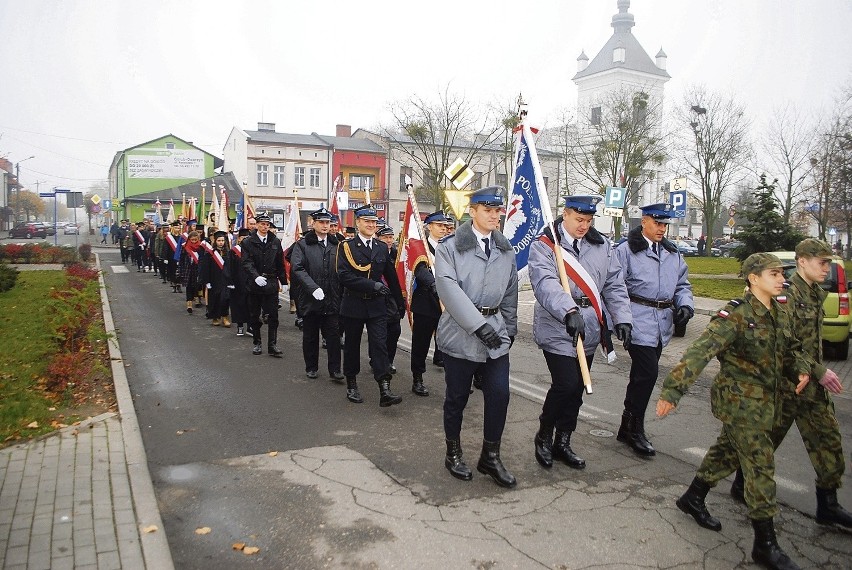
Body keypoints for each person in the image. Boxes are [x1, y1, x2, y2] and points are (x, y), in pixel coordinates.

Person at [656, 253, 811, 570]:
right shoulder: (736, 315)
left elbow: (790, 348)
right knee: (760, 464)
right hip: (740, 402)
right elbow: (701, 350)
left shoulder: (777, 311)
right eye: (774, 273)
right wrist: (673, 390)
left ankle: (693, 497)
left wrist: (802, 369)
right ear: (753, 278)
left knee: (726, 452)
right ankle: (765, 545)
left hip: (764, 401)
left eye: (782, 273)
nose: (781, 279)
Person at [728, 239, 851, 530]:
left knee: (829, 441)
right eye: (821, 263)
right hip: (786, 387)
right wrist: (820, 370)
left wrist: (817, 373)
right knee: (762, 443)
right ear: (802, 262)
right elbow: (784, 343)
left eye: (828, 263)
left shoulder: (815, 293)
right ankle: (739, 485)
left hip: (811, 388)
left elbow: (811, 342)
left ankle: (828, 505)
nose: (826, 268)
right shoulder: (786, 295)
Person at [528, 195, 632, 471]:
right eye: (579, 219)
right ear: (565, 214)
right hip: (558, 323)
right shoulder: (545, 245)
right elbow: (545, 283)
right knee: (566, 383)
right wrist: (568, 311)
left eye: (588, 220)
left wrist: (622, 318)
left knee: (577, 391)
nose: (584, 225)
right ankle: (544, 434)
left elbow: (613, 284)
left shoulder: (602, 247)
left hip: (589, 326)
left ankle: (563, 440)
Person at [434, 186, 518, 488]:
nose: (495, 215)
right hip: (460, 333)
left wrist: (509, 327)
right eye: (488, 209)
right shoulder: (450, 246)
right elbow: (447, 288)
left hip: (496, 332)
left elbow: (510, 292)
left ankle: (490, 456)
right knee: (456, 397)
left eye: (498, 210)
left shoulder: (505, 249)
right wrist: (478, 327)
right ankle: (453, 452)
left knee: (500, 394)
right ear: (473, 211)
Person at [614, 203, 693, 457]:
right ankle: (636, 429)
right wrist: (620, 320)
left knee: (641, 377)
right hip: (637, 320)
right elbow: (613, 287)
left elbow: (683, 284)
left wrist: (685, 305)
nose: (662, 229)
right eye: (657, 223)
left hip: (662, 324)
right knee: (647, 374)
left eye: (665, 225)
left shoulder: (672, 253)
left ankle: (627, 425)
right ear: (644, 221)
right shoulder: (626, 251)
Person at [337, 205, 405, 406]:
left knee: (379, 346)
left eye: (374, 222)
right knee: (352, 346)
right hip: (353, 304)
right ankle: (351, 383)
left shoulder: (381, 247)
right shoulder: (346, 246)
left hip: (377, 307)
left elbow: (391, 277)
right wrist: (372, 285)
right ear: (358, 223)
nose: (371, 225)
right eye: (367, 221)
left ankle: (384, 388)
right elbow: (344, 276)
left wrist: (400, 303)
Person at [289, 207, 343, 380]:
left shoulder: (337, 245)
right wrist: (313, 288)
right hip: (311, 298)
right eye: (322, 222)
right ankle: (311, 366)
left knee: (334, 336)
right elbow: (297, 268)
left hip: (332, 297)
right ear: (313, 224)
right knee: (311, 335)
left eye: (328, 223)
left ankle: (335, 370)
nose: (325, 226)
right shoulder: (303, 244)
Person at [409, 211, 453, 397]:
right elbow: (420, 271)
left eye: (445, 226)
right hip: (426, 302)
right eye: (439, 225)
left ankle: (455, 381)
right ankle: (417, 378)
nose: (443, 228)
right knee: (421, 343)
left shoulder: (451, 247)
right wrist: (434, 285)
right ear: (428, 226)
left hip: (448, 302)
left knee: (451, 344)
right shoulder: (421, 247)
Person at [241, 213, 286, 356]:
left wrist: (283, 281)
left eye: (267, 224)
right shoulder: (248, 242)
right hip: (255, 283)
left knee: (273, 315)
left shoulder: (275, 241)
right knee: (254, 315)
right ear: (257, 225)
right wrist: (255, 276)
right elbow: (246, 263)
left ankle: (272, 344)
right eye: (262, 224)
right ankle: (257, 343)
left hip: (271, 283)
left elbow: (280, 263)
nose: (265, 227)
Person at [376, 225, 403, 375]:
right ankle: (378, 360)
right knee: (379, 334)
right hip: (378, 297)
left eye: (391, 237)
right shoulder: (373, 252)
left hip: (394, 298)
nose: (389, 240)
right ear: (378, 238)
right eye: (385, 237)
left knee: (395, 331)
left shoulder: (397, 254)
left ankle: (389, 361)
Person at [199, 230, 234, 327]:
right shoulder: (210, 254)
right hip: (214, 279)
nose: (221, 242)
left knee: (225, 298)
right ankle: (215, 317)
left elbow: (231, 267)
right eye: (219, 240)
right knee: (215, 298)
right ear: (215, 241)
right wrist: (207, 281)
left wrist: (232, 280)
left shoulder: (229, 253)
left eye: (222, 240)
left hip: (225, 279)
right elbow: (206, 268)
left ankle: (225, 316)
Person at [229, 228, 251, 336]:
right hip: (237, 283)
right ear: (239, 239)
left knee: (251, 305)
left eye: (247, 238)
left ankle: (250, 327)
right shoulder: (234, 251)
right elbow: (229, 268)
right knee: (239, 305)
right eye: (243, 238)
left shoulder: (253, 251)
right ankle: (240, 326)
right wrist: (230, 281)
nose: (245, 240)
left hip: (250, 282)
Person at [178, 230, 204, 313]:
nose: (193, 241)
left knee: (196, 285)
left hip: (197, 269)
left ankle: (197, 298)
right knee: (188, 286)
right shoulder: (185, 247)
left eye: (195, 240)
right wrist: (180, 270)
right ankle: (189, 304)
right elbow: (181, 259)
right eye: (192, 240)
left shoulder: (201, 247)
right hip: (187, 269)